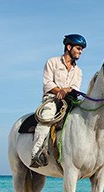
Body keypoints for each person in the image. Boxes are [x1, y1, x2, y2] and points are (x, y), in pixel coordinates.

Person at [30, 34, 87, 168]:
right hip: (51, 99)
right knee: (46, 118)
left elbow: (75, 88)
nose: (80, 51)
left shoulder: (78, 71)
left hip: (70, 100)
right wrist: (59, 91)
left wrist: (67, 90)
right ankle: (36, 153)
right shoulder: (52, 62)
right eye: (78, 48)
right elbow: (47, 83)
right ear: (69, 47)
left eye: (81, 49)